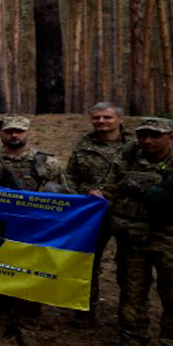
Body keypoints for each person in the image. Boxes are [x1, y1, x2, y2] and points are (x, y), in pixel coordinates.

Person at [98, 117, 173, 346]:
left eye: (155, 135)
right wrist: (100, 195)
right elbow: (111, 185)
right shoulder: (129, 157)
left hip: (169, 241)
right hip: (131, 238)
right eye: (143, 135)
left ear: (171, 137)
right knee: (131, 290)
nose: (147, 140)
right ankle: (131, 342)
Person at [0, 114, 67, 346]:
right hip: (0, 225)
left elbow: (64, 198)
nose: (14, 135)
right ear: (2, 133)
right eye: (9, 131)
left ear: (28, 133)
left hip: (34, 229)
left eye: (19, 131)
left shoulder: (47, 163)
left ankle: (28, 323)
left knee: (31, 274)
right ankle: (1, 316)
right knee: (0, 271)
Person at [66, 102, 128, 326]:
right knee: (87, 263)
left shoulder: (135, 146)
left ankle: (129, 321)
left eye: (107, 117)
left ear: (119, 119)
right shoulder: (84, 145)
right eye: (97, 118)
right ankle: (85, 310)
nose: (101, 122)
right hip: (91, 215)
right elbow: (70, 177)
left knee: (129, 269)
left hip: (127, 215)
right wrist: (84, 195)